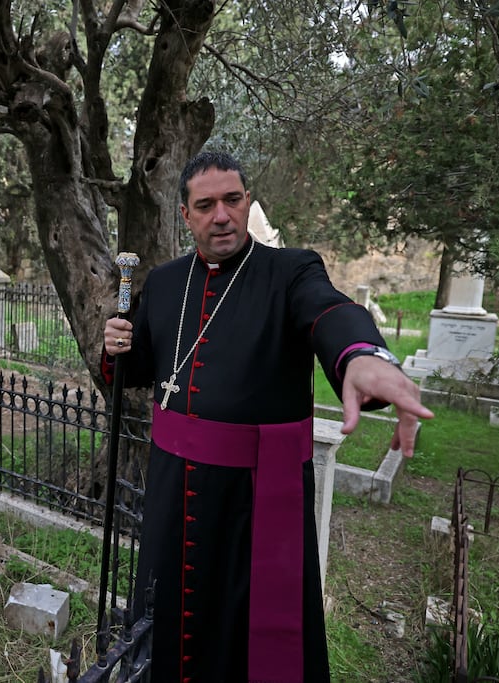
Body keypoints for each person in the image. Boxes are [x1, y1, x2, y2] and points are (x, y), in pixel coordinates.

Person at [101, 151, 433, 683]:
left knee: (246, 641)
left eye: (232, 200)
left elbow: (329, 310)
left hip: (253, 504)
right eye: (205, 205)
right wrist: (116, 347)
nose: (222, 216)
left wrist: (363, 356)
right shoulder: (163, 284)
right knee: (170, 626)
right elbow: (139, 371)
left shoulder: (290, 271)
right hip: (172, 493)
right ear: (185, 216)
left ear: (247, 202)